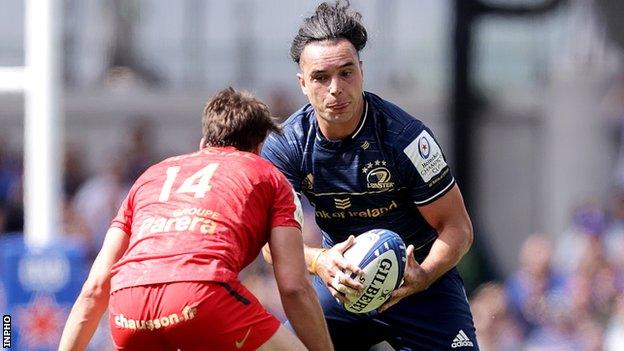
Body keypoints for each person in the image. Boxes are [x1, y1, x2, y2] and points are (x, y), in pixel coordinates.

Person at [261, 1, 479, 350]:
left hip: (422, 284)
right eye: (321, 77)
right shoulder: (286, 145)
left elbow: (458, 228)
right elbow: (272, 246)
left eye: (346, 73)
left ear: (361, 71)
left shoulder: (406, 139)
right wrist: (320, 261)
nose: (335, 88)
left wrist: (423, 276)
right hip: (342, 283)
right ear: (303, 83)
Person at [59, 87, 333, 351]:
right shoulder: (268, 175)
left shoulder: (150, 176)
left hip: (128, 307)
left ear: (203, 143)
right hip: (201, 296)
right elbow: (294, 286)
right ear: (259, 148)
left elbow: (95, 287)